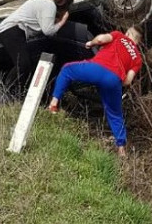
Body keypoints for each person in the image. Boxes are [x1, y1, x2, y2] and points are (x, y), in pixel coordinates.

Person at [48, 26, 144, 157]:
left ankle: (54, 103)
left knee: (67, 70)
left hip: (97, 68)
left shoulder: (118, 36)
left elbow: (100, 40)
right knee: (115, 113)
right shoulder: (137, 59)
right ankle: (121, 148)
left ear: (127, 33)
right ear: (138, 42)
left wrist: (90, 43)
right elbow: (127, 81)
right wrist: (113, 80)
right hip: (114, 80)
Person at [0, 0, 73, 96]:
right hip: (12, 29)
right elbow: (48, 31)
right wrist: (62, 21)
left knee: (24, 63)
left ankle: (15, 92)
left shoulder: (43, 0)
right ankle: (7, 93)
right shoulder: (50, 5)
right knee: (23, 64)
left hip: (10, 29)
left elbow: (41, 21)